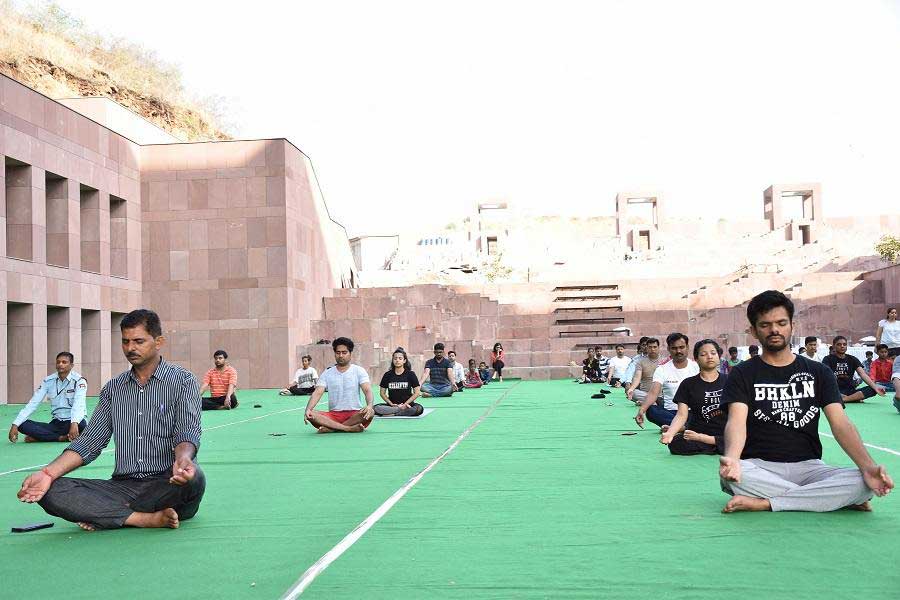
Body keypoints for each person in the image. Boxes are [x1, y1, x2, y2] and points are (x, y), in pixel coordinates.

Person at [17, 309, 205, 530]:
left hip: (167, 484)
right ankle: (142, 519)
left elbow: (187, 431)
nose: (131, 348)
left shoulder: (183, 381)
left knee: (196, 478)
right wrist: (47, 473)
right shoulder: (113, 389)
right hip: (123, 488)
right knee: (51, 490)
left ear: (159, 341)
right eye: (125, 342)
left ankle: (107, 514)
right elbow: (89, 442)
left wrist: (184, 461)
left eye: (138, 341)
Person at [718, 291, 893, 513]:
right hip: (760, 466)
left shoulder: (818, 371)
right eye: (765, 325)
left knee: (864, 482)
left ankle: (768, 503)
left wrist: (868, 467)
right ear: (753, 330)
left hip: (810, 468)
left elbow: (840, 424)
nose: (774, 330)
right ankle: (826, 498)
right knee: (734, 476)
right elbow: (736, 422)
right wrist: (733, 459)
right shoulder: (742, 373)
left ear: (792, 325)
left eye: (781, 323)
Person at [660, 340, 727, 455]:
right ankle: (717, 445)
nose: (709, 357)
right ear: (696, 359)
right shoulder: (688, 384)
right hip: (697, 431)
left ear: (718, 356)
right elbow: (681, 415)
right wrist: (670, 433)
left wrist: (701, 438)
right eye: (703, 354)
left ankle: (710, 442)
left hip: (725, 432)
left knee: (745, 438)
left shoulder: (730, 381)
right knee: (676, 443)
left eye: (713, 353)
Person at [8, 352, 87, 443]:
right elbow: (33, 403)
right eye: (58, 362)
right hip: (57, 423)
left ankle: (43, 437)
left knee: (81, 425)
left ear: (71, 365)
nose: (60, 364)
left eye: (64, 362)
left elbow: (79, 404)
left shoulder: (79, 381)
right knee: (22, 425)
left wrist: (74, 423)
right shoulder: (48, 381)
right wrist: (15, 424)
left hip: (75, 422)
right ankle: (60, 438)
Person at [304, 337, 374, 433]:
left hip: (354, 415)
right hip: (333, 416)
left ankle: (332, 428)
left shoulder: (359, 370)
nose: (341, 355)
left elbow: (367, 390)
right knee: (311, 414)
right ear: (335, 354)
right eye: (338, 352)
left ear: (350, 354)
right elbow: (317, 393)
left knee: (371, 412)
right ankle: (348, 428)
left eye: (344, 352)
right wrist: (308, 409)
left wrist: (369, 405)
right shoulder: (327, 372)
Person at [635, 333, 698, 429]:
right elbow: (653, 393)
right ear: (669, 349)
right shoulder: (662, 369)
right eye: (674, 348)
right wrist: (642, 410)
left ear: (688, 347)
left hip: (693, 411)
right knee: (651, 411)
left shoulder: (696, 367)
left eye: (682, 347)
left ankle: (678, 427)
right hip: (671, 412)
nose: (678, 351)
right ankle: (682, 427)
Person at [822, 336, 885, 403]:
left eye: (844, 344)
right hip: (834, 390)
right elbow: (827, 376)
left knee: (872, 389)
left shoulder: (852, 359)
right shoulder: (827, 359)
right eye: (839, 344)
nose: (842, 346)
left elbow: (863, 374)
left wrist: (875, 388)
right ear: (834, 346)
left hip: (850, 390)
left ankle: (845, 399)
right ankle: (853, 398)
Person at [375, 348, 423, 417]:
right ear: (392, 360)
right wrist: (391, 404)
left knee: (419, 409)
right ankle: (399, 410)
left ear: (404, 361)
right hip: (392, 405)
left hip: (408, 405)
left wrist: (405, 404)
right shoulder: (387, 375)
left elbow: (417, 392)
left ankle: (394, 413)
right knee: (375, 408)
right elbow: (382, 393)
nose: (397, 360)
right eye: (395, 358)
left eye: (400, 358)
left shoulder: (410, 374)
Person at [625, 338, 660, 406]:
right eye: (650, 347)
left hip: (661, 394)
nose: (652, 349)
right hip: (645, 394)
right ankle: (652, 403)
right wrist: (631, 389)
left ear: (658, 347)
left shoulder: (664, 361)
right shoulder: (640, 362)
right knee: (633, 392)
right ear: (647, 348)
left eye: (655, 347)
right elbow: (637, 377)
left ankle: (648, 403)